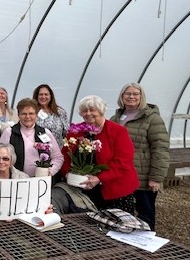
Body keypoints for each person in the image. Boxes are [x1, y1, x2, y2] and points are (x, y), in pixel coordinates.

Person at [60, 95, 139, 213]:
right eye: (84, 110)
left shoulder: (118, 131)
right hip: (83, 188)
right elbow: (65, 156)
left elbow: (123, 162)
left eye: (92, 110)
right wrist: (67, 173)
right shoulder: (75, 131)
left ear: (101, 111)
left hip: (115, 190)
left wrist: (99, 178)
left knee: (115, 226)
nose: (88, 113)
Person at [110, 83, 169, 230]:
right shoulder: (115, 118)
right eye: (127, 94)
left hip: (141, 177)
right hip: (121, 175)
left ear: (141, 97)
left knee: (145, 214)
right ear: (121, 97)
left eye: (135, 94)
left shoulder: (152, 119)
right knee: (122, 214)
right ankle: (126, 247)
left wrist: (156, 178)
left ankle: (146, 247)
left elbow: (160, 149)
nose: (131, 96)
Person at [0, 143, 54, 224]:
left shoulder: (23, 177)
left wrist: (44, 207)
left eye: (5, 159)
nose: (1, 161)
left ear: (11, 161)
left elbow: (30, 202)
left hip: (17, 220)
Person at [0, 98, 63, 178]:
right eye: (24, 114)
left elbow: (58, 157)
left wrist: (50, 171)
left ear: (36, 115)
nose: (27, 117)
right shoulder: (9, 132)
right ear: (18, 115)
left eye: (31, 113)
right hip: (15, 180)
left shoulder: (45, 132)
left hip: (40, 181)